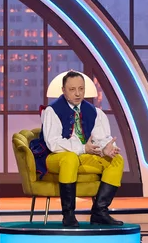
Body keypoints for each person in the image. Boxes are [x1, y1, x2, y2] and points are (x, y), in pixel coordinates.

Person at [41, 71, 124, 228]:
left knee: (116, 160)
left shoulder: (93, 111)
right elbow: (53, 143)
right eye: (72, 89)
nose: (78, 93)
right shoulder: (52, 111)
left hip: (84, 153)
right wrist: (82, 148)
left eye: (81, 89)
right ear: (63, 90)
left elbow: (100, 138)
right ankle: (68, 215)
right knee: (70, 158)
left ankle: (99, 212)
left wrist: (106, 148)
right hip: (55, 156)